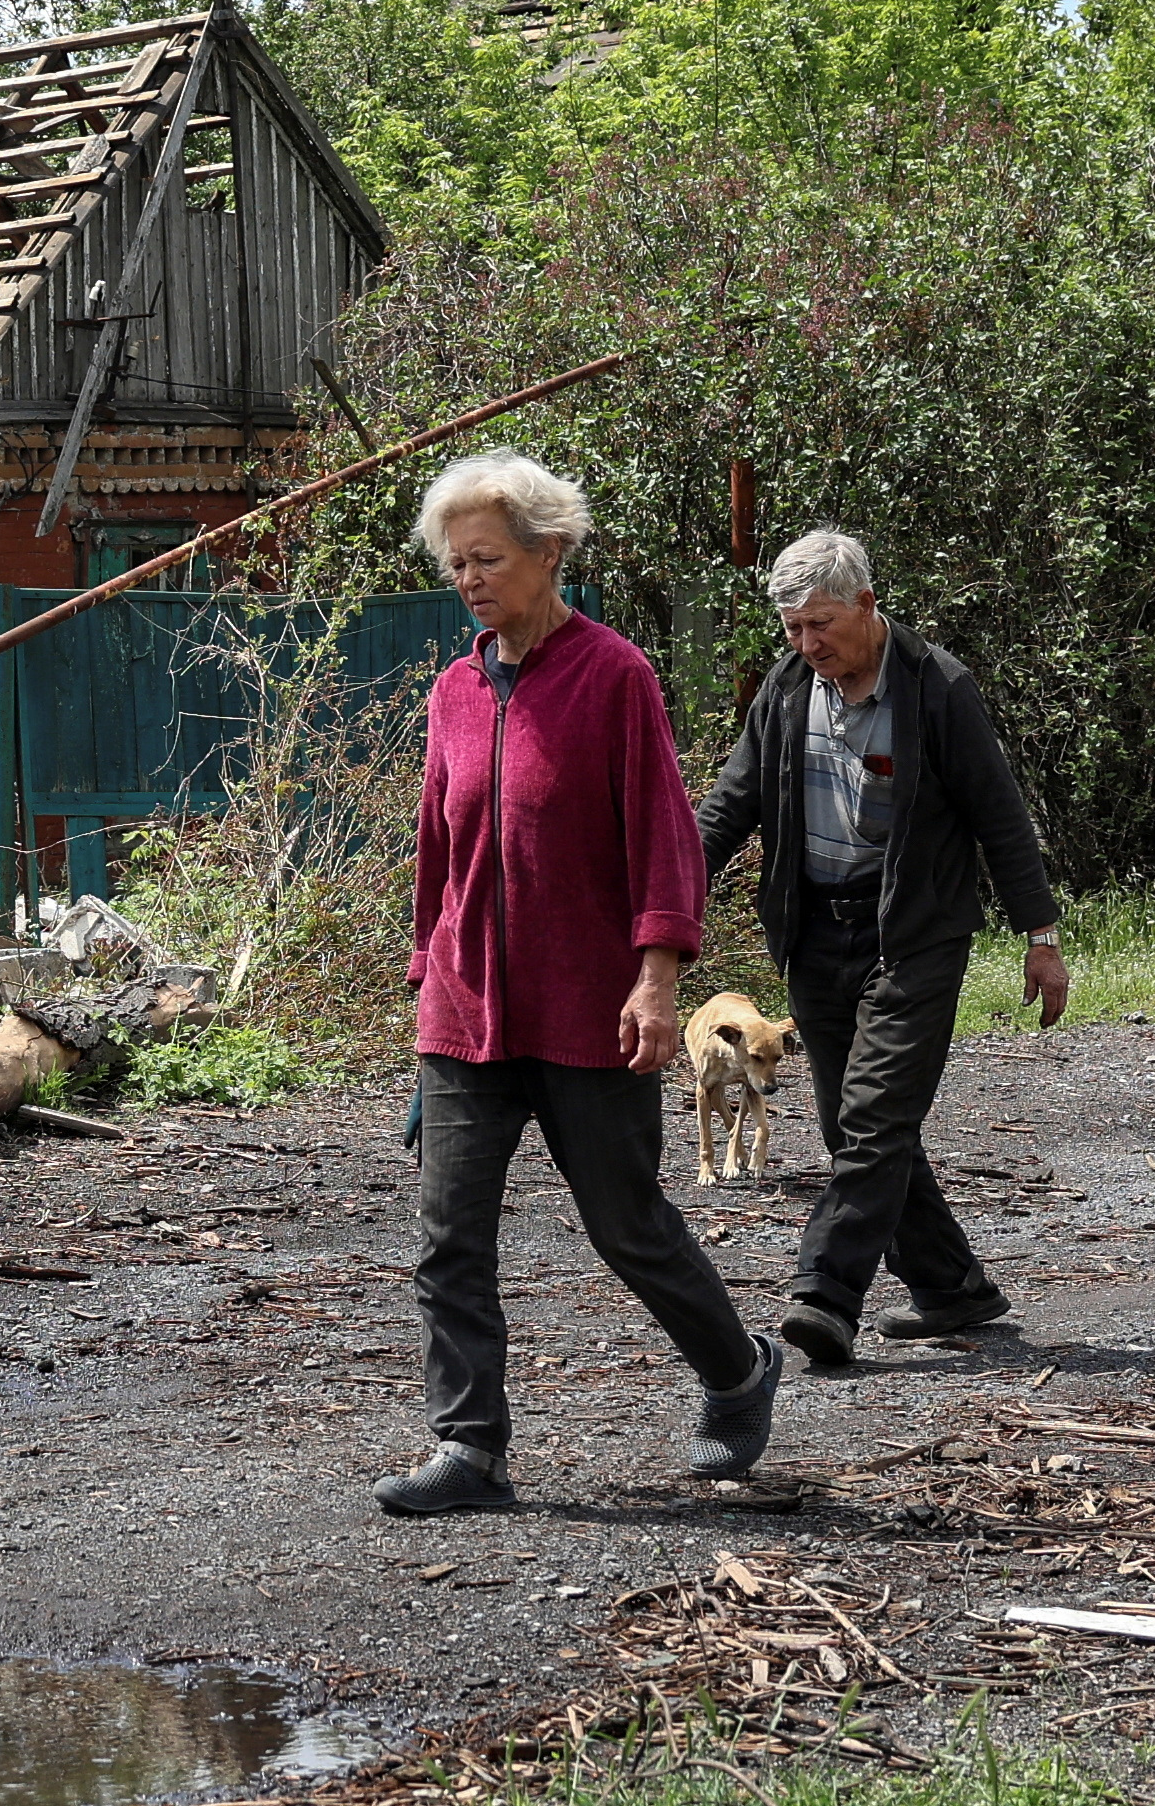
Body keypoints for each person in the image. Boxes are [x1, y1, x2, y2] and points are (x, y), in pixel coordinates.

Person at [384, 451, 783, 1516]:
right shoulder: (455, 691)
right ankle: (470, 1448)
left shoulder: (615, 676)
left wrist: (656, 981)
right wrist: (426, 989)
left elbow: (665, 843)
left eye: (489, 557)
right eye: (455, 561)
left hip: (591, 1009)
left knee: (625, 1221)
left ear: (549, 552)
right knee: (449, 1235)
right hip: (466, 1014)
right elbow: (437, 857)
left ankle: (739, 1370)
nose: (469, 577)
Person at [700, 527, 1068, 1375]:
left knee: (871, 1120)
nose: (805, 644)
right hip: (813, 933)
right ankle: (952, 1288)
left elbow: (999, 817)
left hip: (913, 935)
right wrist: (660, 903)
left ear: (867, 604)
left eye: (820, 624)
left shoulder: (937, 689)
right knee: (853, 1123)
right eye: (792, 628)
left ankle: (825, 1294)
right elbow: (732, 805)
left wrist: (1039, 939)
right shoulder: (791, 688)